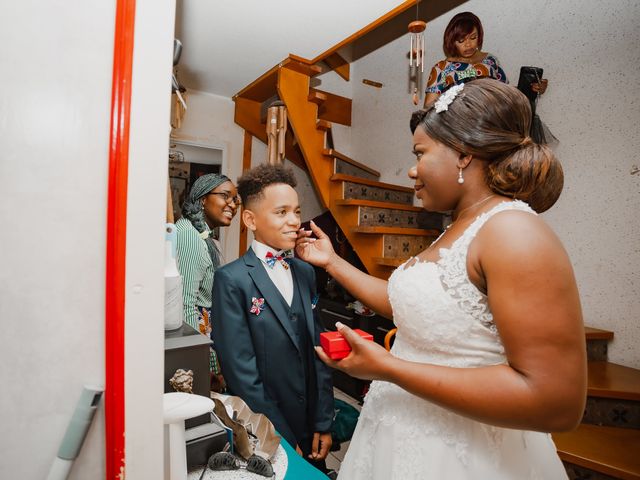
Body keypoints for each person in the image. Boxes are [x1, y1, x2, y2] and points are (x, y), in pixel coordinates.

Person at [297, 79, 586, 479]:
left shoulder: (513, 231)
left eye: (420, 153)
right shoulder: (457, 227)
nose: (412, 170)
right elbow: (410, 307)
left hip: (462, 458)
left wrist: (389, 368)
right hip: (401, 437)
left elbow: (557, 402)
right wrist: (331, 262)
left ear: (464, 154)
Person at [211, 164, 334, 471]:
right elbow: (240, 370)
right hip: (268, 425)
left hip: (311, 424)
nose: (294, 221)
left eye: (297, 211)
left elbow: (319, 349)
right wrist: (275, 432)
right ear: (250, 219)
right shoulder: (232, 279)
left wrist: (323, 419)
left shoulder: (305, 272)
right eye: (281, 212)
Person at [175, 173, 239, 392]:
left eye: (235, 199)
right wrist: (204, 363)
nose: (233, 204)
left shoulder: (200, 235)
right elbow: (185, 306)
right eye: (226, 196)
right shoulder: (189, 237)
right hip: (197, 341)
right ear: (203, 199)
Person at [424, 11, 547, 107]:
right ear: (452, 41)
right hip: (458, 129)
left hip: (492, 125)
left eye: (473, 37)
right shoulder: (441, 68)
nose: (468, 45)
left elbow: (506, 94)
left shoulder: (490, 61)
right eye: (461, 40)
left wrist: (532, 88)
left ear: (479, 36)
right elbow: (428, 109)